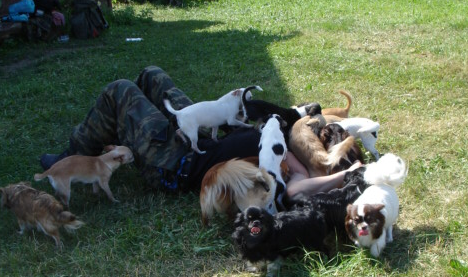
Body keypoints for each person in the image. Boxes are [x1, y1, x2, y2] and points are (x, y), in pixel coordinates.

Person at [40, 65, 361, 196]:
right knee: (152, 75)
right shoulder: (291, 130)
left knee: (120, 89)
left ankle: (71, 158)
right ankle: (115, 140)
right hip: (202, 137)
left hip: (175, 163)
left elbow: (296, 190)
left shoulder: (296, 164)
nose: (316, 130)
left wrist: (346, 175)